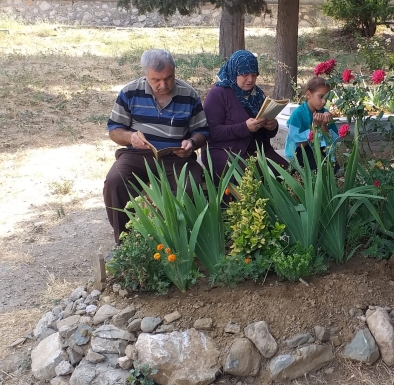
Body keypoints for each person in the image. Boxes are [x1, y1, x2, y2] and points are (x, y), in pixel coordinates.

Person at [103, 49, 208, 243]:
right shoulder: (129, 92)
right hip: (138, 154)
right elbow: (114, 130)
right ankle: (126, 242)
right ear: (145, 75)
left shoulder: (189, 94)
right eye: (156, 80)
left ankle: (174, 241)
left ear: (174, 72)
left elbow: (202, 131)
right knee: (115, 181)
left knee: (190, 186)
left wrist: (192, 143)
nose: (163, 85)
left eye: (169, 78)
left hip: (177, 157)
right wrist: (130, 136)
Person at [203, 50, 288, 177]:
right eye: (245, 75)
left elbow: (268, 133)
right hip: (225, 151)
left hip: (258, 150)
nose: (250, 80)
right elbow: (212, 132)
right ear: (234, 72)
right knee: (250, 177)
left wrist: (272, 126)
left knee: (288, 173)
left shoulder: (257, 94)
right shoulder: (218, 94)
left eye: (254, 75)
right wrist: (245, 128)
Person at [285, 76, 340, 170]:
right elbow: (300, 145)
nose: (324, 102)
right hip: (300, 151)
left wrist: (324, 126)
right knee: (314, 167)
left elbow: (332, 142)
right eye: (321, 97)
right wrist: (314, 127)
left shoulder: (325, 113)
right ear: (308, 94)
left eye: (326, 98)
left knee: (333, 167)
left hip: (320, 148)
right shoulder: (297, 114)